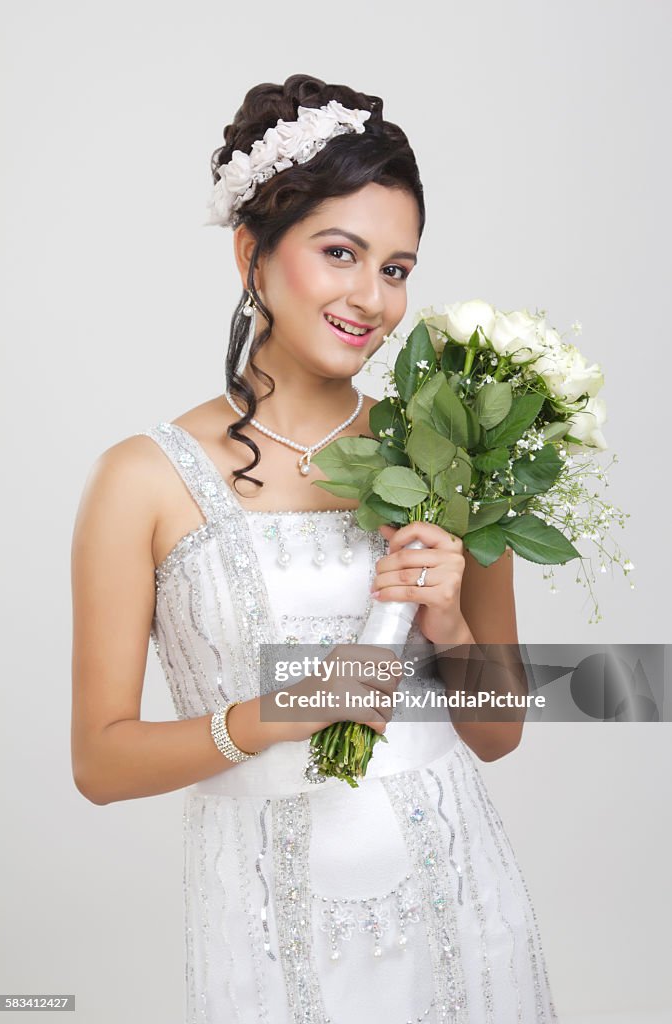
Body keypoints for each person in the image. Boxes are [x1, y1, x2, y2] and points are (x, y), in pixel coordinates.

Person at [71, 74, 560, 1023]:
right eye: (341, 253)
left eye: (397, 267)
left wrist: (451, 623)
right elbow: (100, 762)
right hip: (267, 917)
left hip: (459, 899)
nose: (372, 298)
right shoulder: (141, 481)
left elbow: (500, 732)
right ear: (252, 253)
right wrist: (285, 709)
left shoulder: (449, 447)